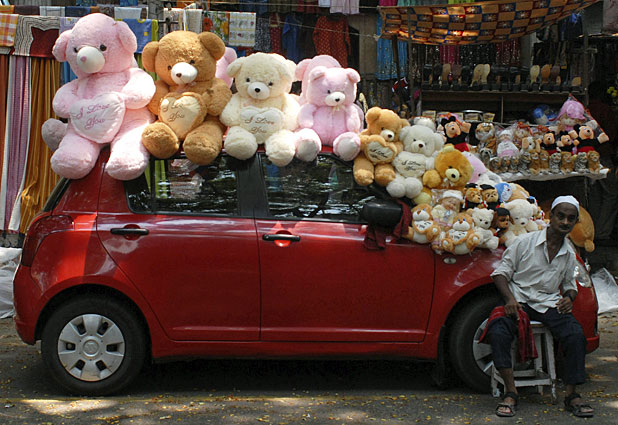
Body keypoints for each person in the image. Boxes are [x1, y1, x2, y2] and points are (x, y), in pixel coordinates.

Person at [485, 196, 594, 418]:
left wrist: (569, 298)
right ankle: (511, 392)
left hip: (548, 303)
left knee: (575, 335)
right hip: (519, 299)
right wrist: (509, 299)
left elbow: (569, 285)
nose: (565, 222)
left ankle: (572, 395)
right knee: (498, 331)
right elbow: (500, 274)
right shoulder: (524, 242)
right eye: (561, 216)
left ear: (574, 222)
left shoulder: (568, 253)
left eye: (570, 218)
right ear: (551, 217)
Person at [586, 81, 618, 245]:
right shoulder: (605, 110)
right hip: (603, 155)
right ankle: (603, 231)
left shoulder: (586, 110)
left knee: (595, 193)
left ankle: (592, 229)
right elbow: (611, 134)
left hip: (588, 155)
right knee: (610, 193)